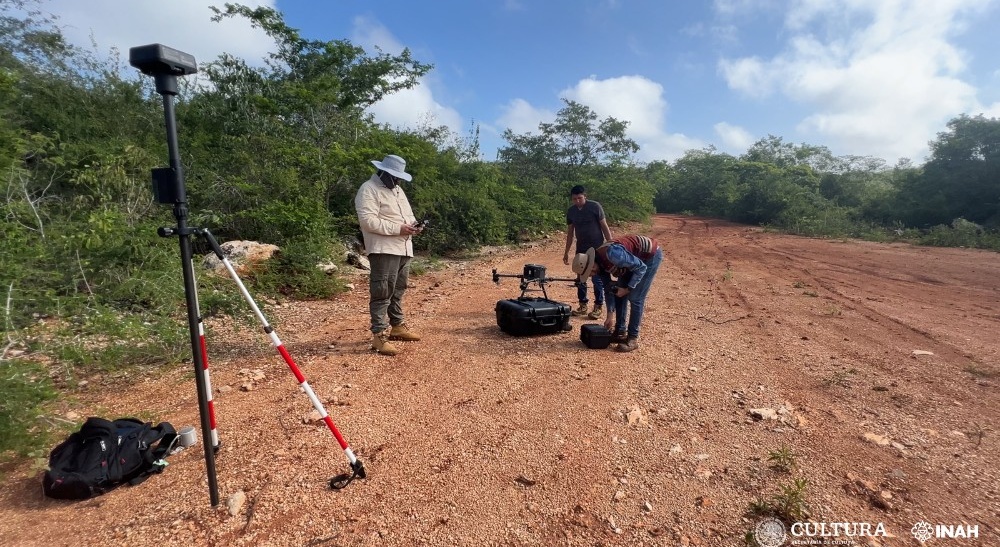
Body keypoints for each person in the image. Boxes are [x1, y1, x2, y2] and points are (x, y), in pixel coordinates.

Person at [354, 154, 424, 356]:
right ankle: (379, 336)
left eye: (399, 177)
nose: (398, 180)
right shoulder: (368, 189)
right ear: (383, 172)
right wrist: (399, 228)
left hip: (403, 248)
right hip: (383, 248)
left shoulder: (398, 190)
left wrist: (413, 226)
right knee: (382, 291)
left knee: (398, 289)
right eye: (395, 176)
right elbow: (368, 221)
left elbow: (408, 216)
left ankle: (397, 326)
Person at [571, 234, 662, 352]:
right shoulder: (600, 266)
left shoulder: (613, 254)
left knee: (635, 298)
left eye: (589, 273)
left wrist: (628, 289)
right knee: (618, 292)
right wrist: (610, 315)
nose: (591, 276)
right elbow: (608, 289)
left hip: (649, 257)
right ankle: (620, 331)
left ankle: (632, 338)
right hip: (632, 261)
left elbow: (641, 268)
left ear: (592, 266)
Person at [562, 185, 612, 320]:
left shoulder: (595, 207)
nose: (577, 201)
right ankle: (582, 305)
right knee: (581, 279)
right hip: (581, 248)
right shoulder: (571, 211)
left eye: (580, 198)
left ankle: (598, 306)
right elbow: (570, 233)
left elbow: (604, 227)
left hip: (597, 248)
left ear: (585, 196)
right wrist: (566, 252)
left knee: (597, 278)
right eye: (574, 199)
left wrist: (611, 245)